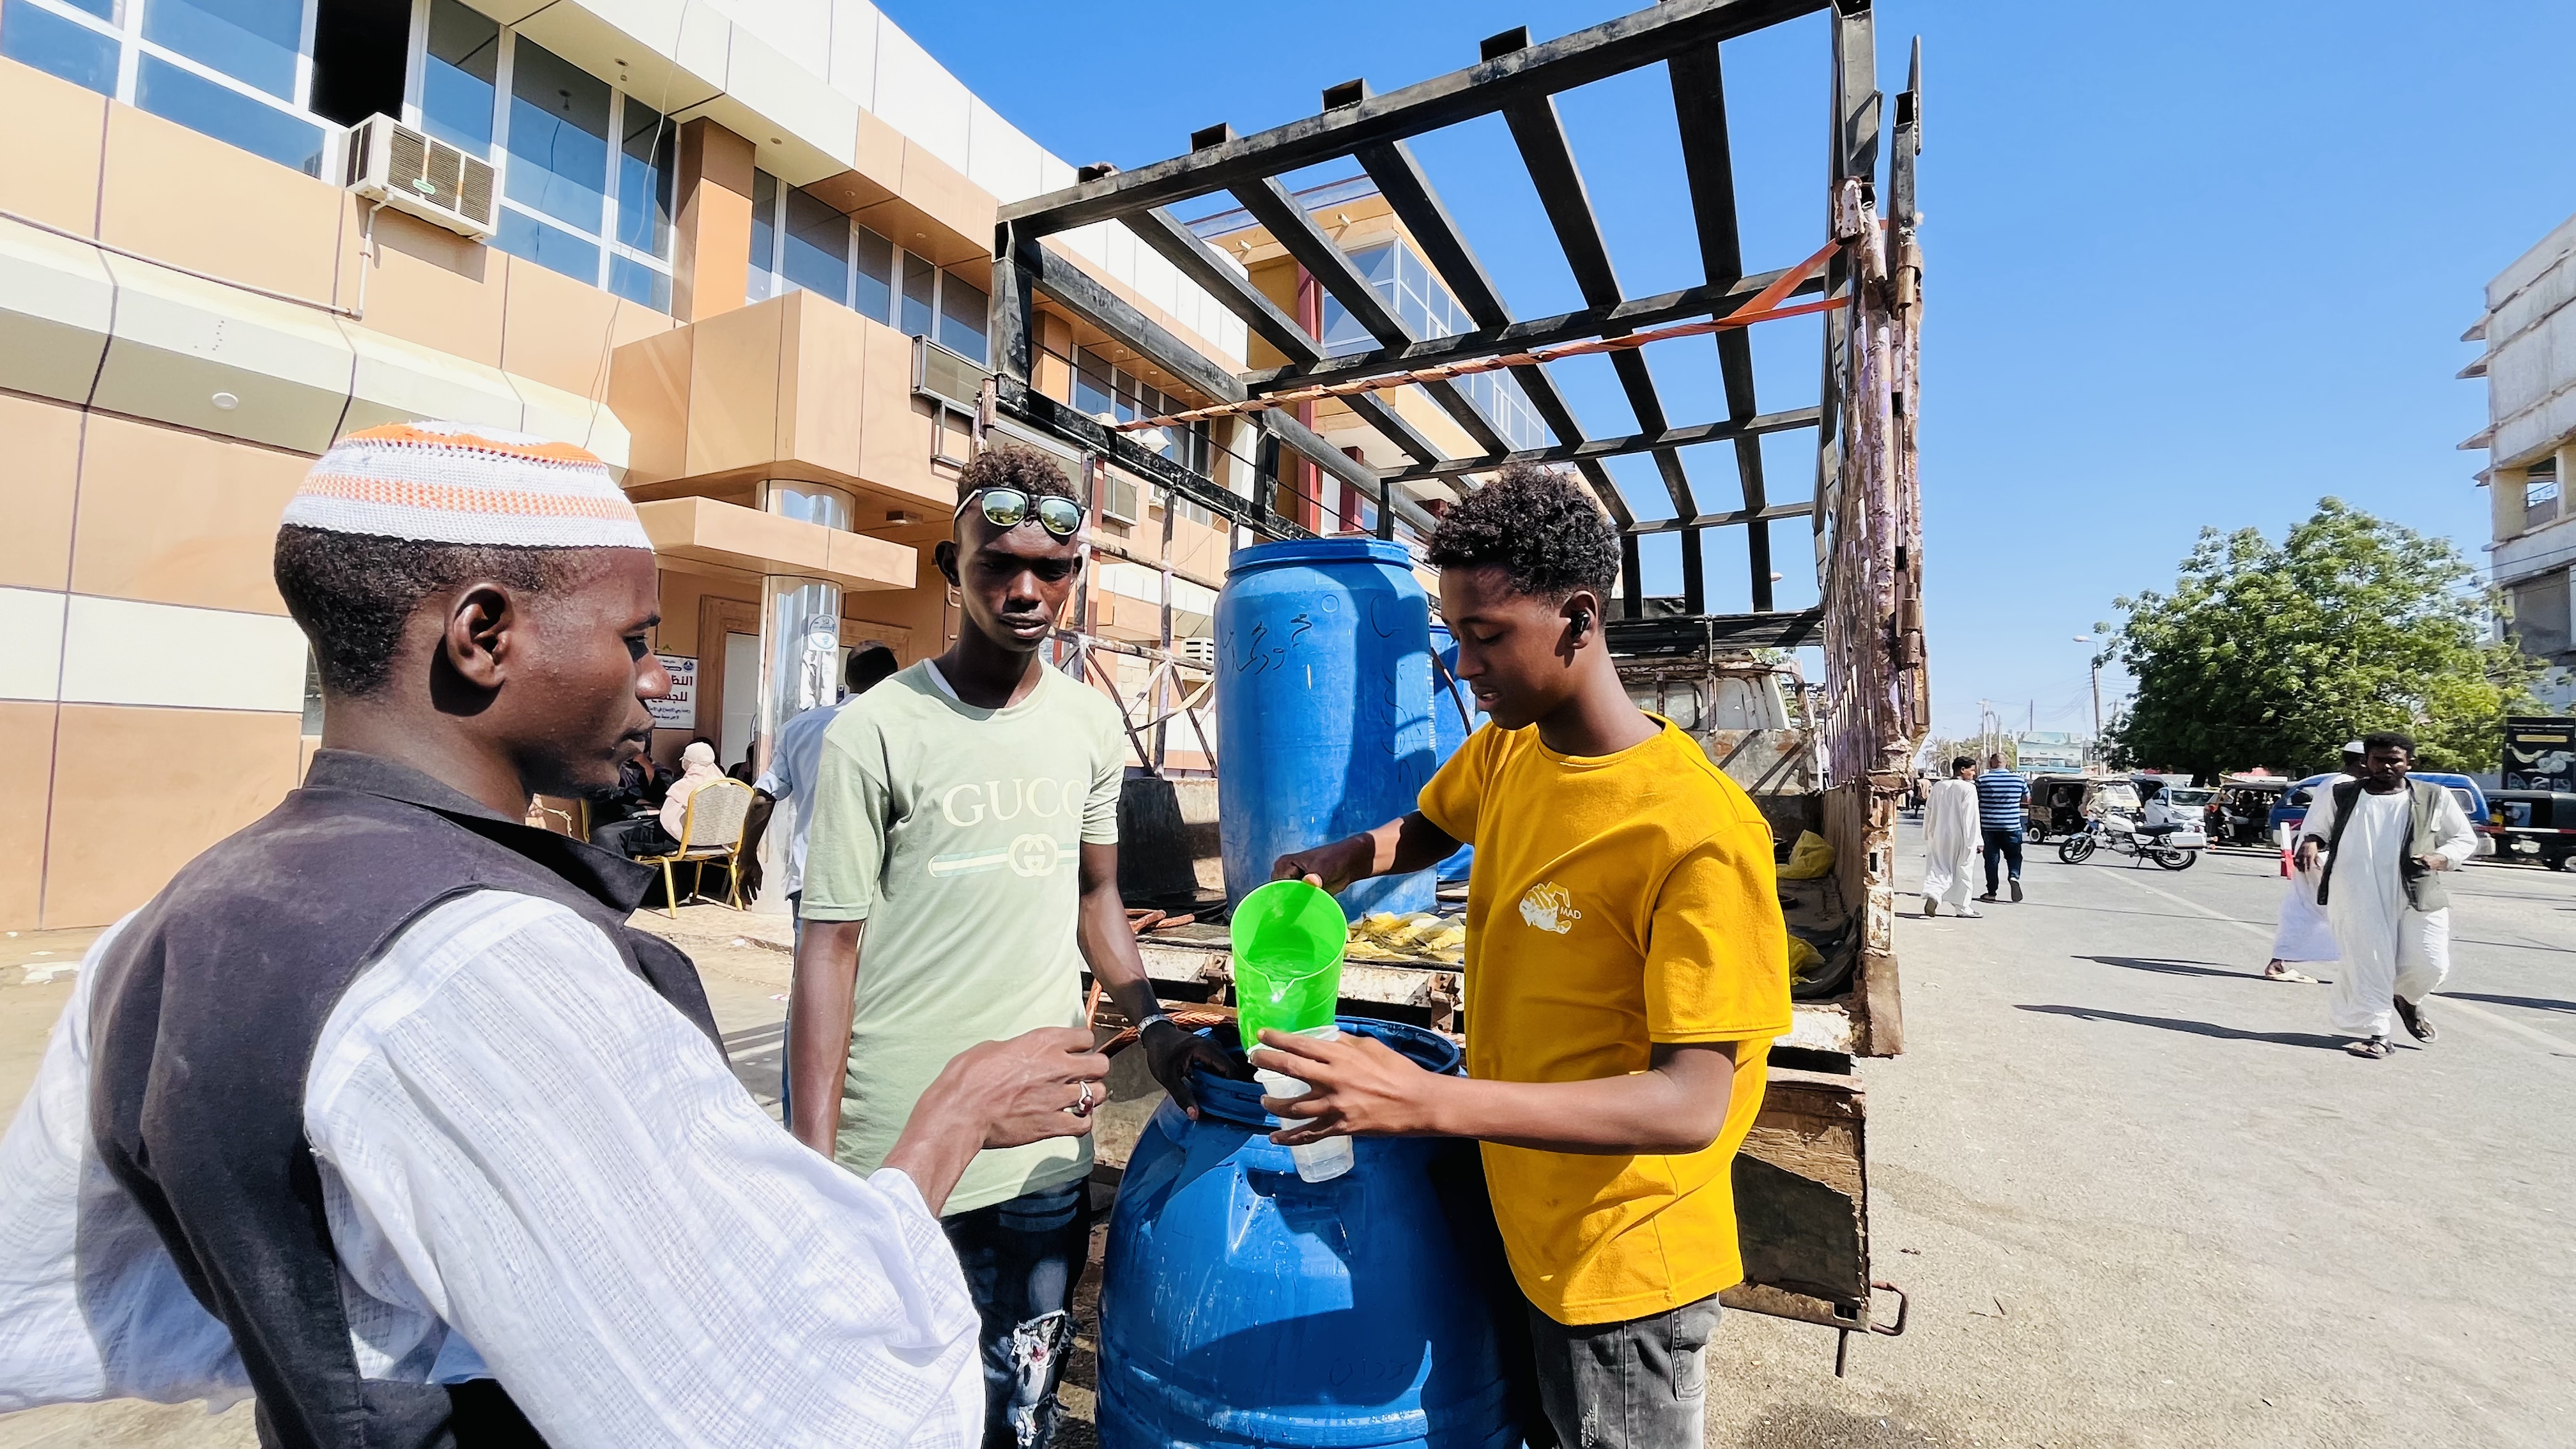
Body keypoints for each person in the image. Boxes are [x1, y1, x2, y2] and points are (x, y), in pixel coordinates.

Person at [0, 420, 1110, 1445]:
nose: (653, 679)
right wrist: (948, 1122)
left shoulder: (173, 920)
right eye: (633, 638)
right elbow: (788, 1389)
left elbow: (57, 1305)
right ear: (483, 634)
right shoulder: (487, 967)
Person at [1262, 464, 1791, 1449]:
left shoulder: (1697, 834)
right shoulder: (1518, 746)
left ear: (1580, 620)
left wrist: (1428, 1103)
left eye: (1486, 635)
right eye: (1456, 635)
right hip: (1528, 1221)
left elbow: (1688, 1104)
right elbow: (1431, 823)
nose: (1463, 666)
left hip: (1624, 1271)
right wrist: (1344, 859)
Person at [790, 443, 1238, 1449]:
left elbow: (1097, 899)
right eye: (997, 563)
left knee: (1018, 1407)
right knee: (898, 1409)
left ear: (1076, 578)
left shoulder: (1087, 727)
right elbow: (828, 951)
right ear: (952, 569)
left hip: (1044, 1151)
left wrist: (1158, 1031)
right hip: (898, 1150)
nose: (1026, 588)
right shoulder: (876, 731)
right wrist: (813, 1169)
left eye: (1053, 568)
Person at [2296, 732, 2477, 1059]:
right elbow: (2317, 830)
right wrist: (2310, 841)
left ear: (2410, 762)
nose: (2386, 766)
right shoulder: (2343, 795)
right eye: (2378, 760)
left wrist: (2442, 858)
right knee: (2369, 963)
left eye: (2395, 760)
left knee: (2431, 964)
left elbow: (2464, 839)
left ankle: (2407, 998)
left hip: (2415, 889)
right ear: (2367, 761)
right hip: (2354, 891)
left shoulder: (2434, 796)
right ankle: (2378, 1034)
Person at [2264, 742, 2362, 983]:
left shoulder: (2332, 782)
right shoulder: (2344, 786)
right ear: (2362, 762)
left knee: (2307, 909)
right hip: (2323, 854)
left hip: (2315, 853)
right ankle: (2364, 969)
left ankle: (2280, 962)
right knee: (2348, 910)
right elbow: (2332, 824)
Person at [1921, 755, 1982, 917]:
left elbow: (1929, 811)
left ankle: (1934, 894)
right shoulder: (1968, 788)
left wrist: (1928, 834)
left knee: (1939, 866)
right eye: (1972, 770)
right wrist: (1976, 841)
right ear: (1962, 770)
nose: (1974, 774)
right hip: (1961, 836)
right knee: (1963, 869)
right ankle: (1963, 908)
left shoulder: (1939, 786)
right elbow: (1971, 817)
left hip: (1938, 835)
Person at [1975, 753, 2030, 902]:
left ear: (1991, 764)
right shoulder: (2019, 780)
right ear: (2006, 763)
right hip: (2012, 826)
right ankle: (2014, 875)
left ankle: (1991, 893)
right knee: (2014, 856)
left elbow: (1975, 800)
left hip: (1988, 827)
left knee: (1992, 861)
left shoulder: (1982, 780)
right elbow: (2028, 799)